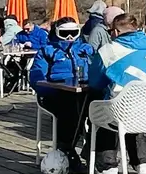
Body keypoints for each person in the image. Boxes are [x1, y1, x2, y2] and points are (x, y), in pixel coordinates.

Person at [86, 14, 146, 174]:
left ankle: (107, 168)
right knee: (132, 105)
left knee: (101, 109)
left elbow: (94, 82)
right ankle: (142, 163)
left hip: (124, 113)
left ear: (116, 32)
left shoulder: (109, 50)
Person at [29, 18, 96, 165]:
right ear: (56, 33)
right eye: (65, 33)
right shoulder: (47, 51)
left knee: (99, 107)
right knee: (71, 106)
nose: (69, 38)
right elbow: (36, 78)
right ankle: (66, 149)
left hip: (83, 92)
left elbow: (97, 70)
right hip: (54, 94)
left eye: (73, 33)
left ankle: (94, 151)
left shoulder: (86, 49)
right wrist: (55, 88)